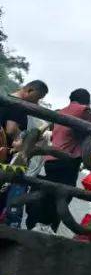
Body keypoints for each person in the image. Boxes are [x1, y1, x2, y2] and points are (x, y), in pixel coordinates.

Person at [29, 88, 91, 233]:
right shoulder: (82, 110)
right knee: (63, 194)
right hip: (67, 161)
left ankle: (42, 225)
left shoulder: (61, 112)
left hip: (51, 159)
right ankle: (45, 225)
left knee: (51, 192)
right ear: (87, 101)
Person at [0, 80, 49, 228]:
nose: (37, 103)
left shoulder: (7, 98)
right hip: (6, 156)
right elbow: (11, 129)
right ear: (30, 91)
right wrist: (27, 139)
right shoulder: (18, 105)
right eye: (38, 97)